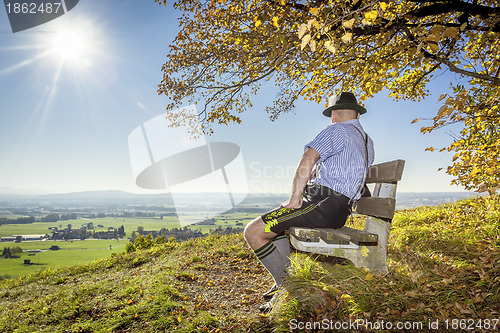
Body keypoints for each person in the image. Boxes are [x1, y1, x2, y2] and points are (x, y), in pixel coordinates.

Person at [244, 92, 375, 313]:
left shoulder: (336, 130)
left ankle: (288, 289)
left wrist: (295, 199)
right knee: (281, 226)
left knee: (254, 232)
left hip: (323, 204)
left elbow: (307, 159)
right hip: (337, 208)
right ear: (357, 115)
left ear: (333, 114)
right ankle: (284, 281)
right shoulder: (366, 141)